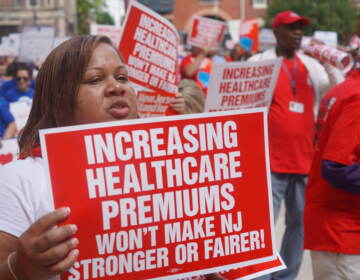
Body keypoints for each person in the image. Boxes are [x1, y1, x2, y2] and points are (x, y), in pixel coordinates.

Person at [0, 35, 138, 280]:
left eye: (122, 77)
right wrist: (19, 269)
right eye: (95, 79)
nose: (118, 87)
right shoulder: (19, 179)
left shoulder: (170, 171)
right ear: (60, 100)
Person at [248, 10, 342, 280]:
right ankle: (261, 275)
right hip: (269, 162)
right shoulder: (259, 62)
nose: (298, 33)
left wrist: (329, 61)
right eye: (291, 28)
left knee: (299, 225)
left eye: (300, 28)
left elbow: (335, 90)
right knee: (264, 225)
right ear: (276, 32)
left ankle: (286, 276)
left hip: (303, 161)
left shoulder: (311, 67)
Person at [304, 67, 360, 279]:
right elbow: (337, 166)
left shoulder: (346, 89)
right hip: (342, 233)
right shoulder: (357, 97)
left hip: (338, 228)